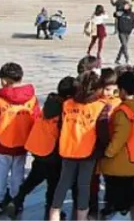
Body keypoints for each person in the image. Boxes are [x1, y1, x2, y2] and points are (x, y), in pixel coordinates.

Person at [48, 72, 109, 221]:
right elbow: (102, 133)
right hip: (88, 151)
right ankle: (82, 218)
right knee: (84, 186)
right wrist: (107, 147)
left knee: (63, 183)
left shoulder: (67, 104)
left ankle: (54, 215)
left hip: (68, 149)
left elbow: (62, 125)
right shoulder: (100, 106)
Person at [15, 76, 76, 216]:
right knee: (53, 184)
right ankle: (52, 211)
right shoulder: (63, 110)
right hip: (52, 153)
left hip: (38, 148)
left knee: (34, 178)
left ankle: (17, 199)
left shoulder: (50, 103)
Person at [0, 63, 39, 215]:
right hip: (22, 143)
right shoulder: (32, 98)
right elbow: (35, 119)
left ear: (4, 81)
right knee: (18, 173)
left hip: (2, 143)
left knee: (0, 174)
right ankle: (17, 201)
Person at [99, 69, 134, 221]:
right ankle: (123, 212)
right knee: (127, 191)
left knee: (115, 191)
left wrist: (108, 152)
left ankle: (119, 214)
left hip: (120, 159)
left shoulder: (123, 112)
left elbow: (119, 137)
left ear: (122, 90)